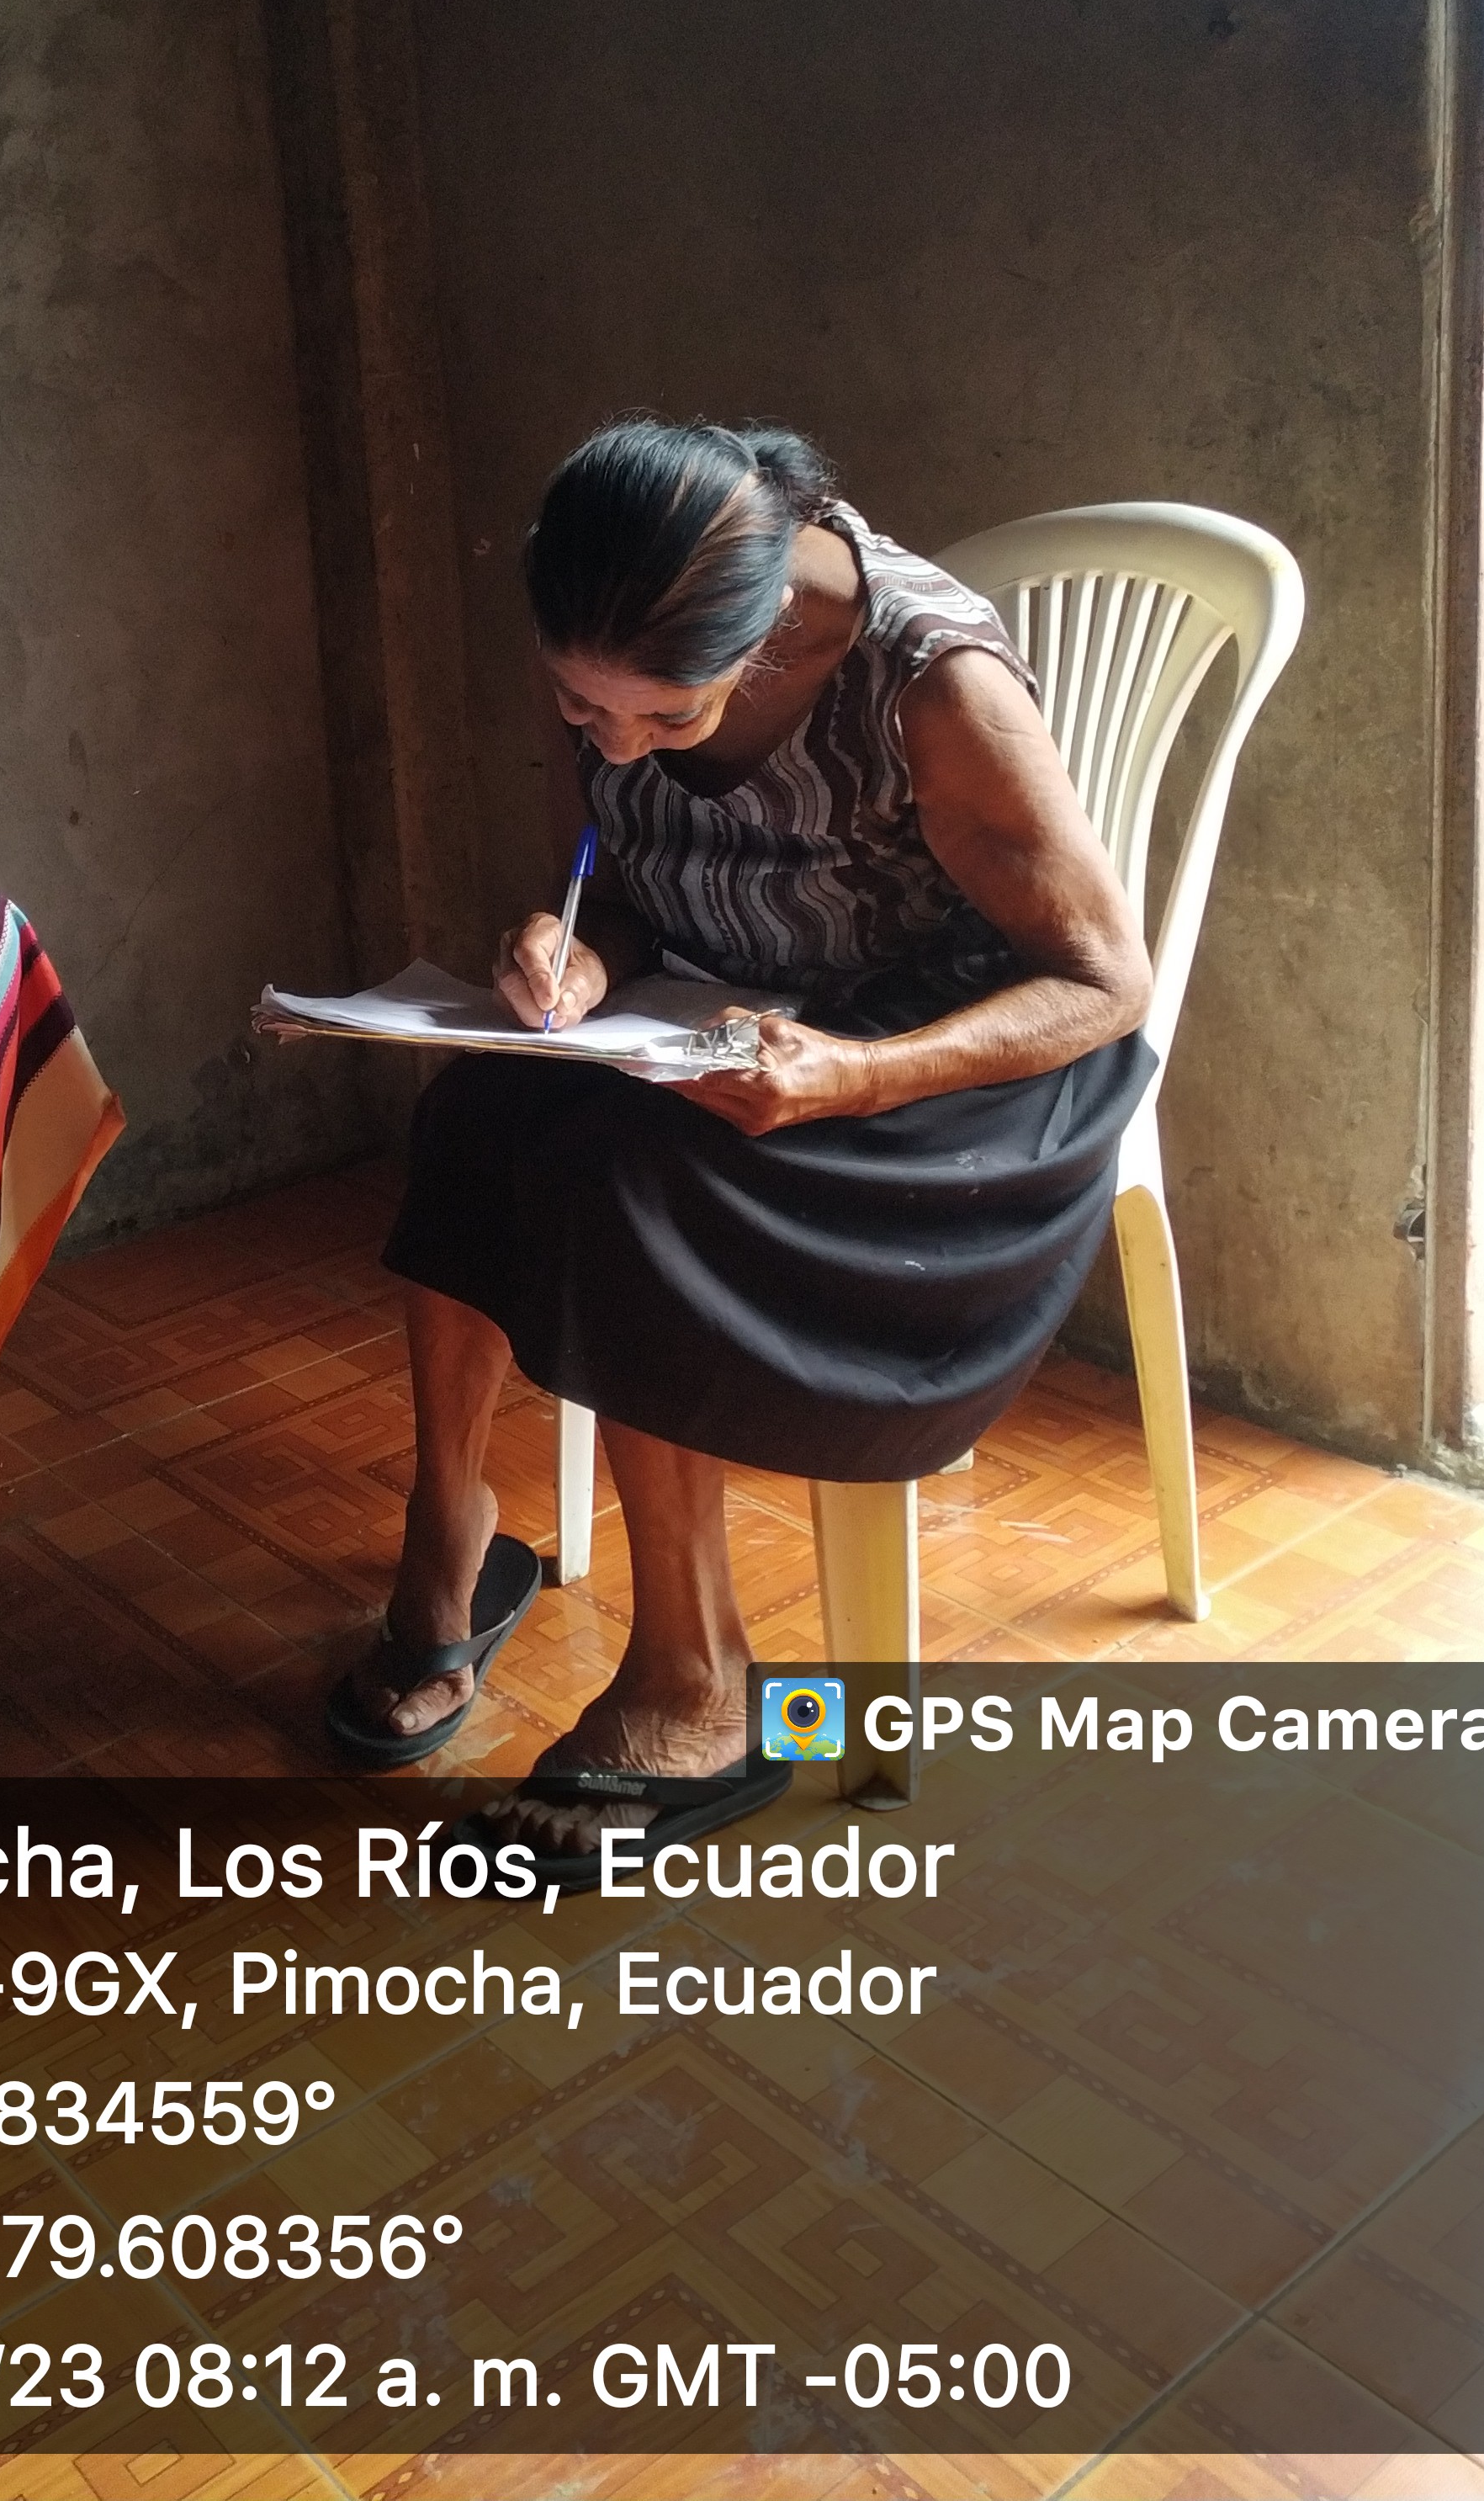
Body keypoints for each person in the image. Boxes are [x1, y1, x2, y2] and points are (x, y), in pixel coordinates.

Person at [329, 417, 1154, 1853]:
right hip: (735, 1014)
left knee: (632, 1185)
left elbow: (1100, 981)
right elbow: (612, 875)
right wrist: (574, 950)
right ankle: (447, 1534)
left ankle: (694, 1680)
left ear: (765, 636)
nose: (613, 742)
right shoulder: (606, 645)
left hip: (950, 1075)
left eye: (664, 720)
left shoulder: (929, 681)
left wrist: (857, 1076)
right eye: (581, 709)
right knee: (472, 1114)